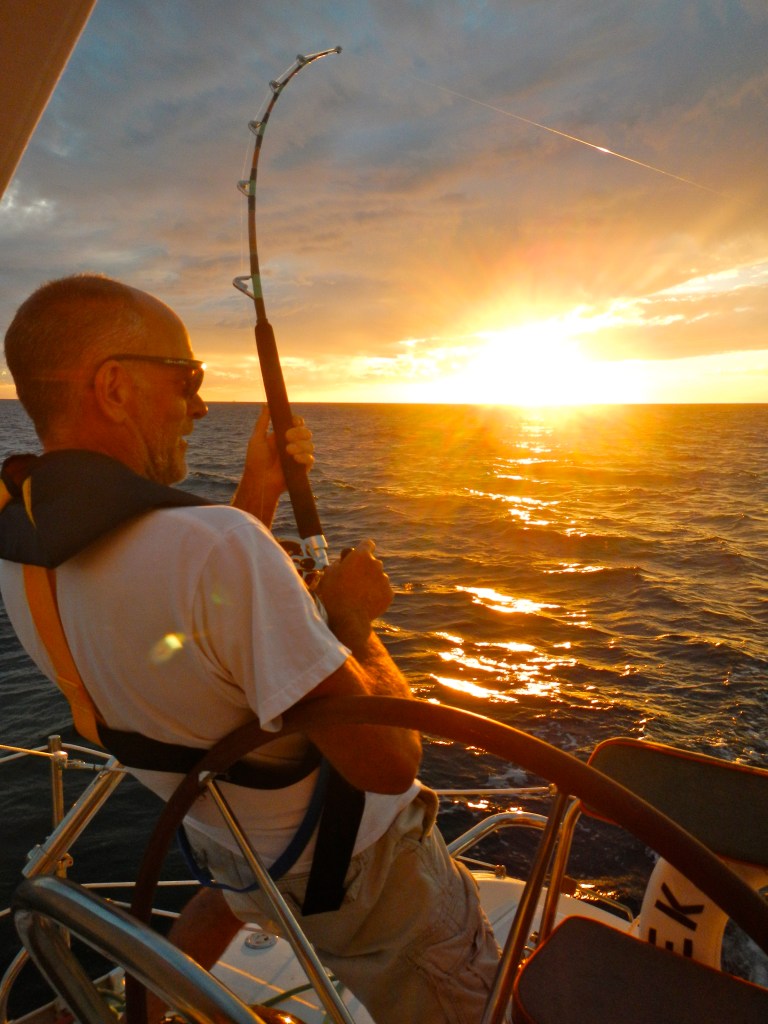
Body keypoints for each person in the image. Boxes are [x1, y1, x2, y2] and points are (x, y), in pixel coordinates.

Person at [0, 274, 500, 1024]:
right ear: (114, 387)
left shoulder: (26, 551)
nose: (202, 406)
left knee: (227, 900)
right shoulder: (217, 548)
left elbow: (186, 610)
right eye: (188, 378)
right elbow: (390, 764)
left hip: (230, 846)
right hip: (361, 876)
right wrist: (352, 623)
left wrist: (258, 489)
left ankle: (143, 1010)